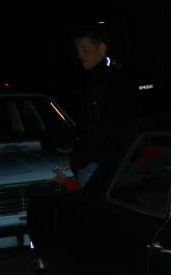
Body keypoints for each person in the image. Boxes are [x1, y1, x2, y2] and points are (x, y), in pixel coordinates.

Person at [66, 25, 137, 186]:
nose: (80, 55)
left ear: (102, 49)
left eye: (85, 50)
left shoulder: (110, 82)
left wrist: (84, 154)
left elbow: (102, 126)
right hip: (100, 163)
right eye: (78, 50)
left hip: (99, 165)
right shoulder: (92, 80)